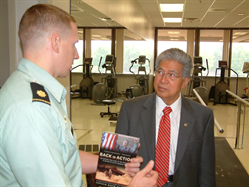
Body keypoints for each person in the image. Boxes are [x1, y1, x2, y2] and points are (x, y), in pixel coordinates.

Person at [0, 4, 158, 187]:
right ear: (56, 42)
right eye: (74, 44)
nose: (76, 55)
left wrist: (117, 164)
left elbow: (67, 157)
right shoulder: (29, 109)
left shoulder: (40, 92)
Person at [115, 48, 216, 187]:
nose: (163, 80)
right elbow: (117, 166)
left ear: (185, 82)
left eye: (172, 75)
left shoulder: (202, 116)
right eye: (160, 72)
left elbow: (207, 171)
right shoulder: (130, 110)